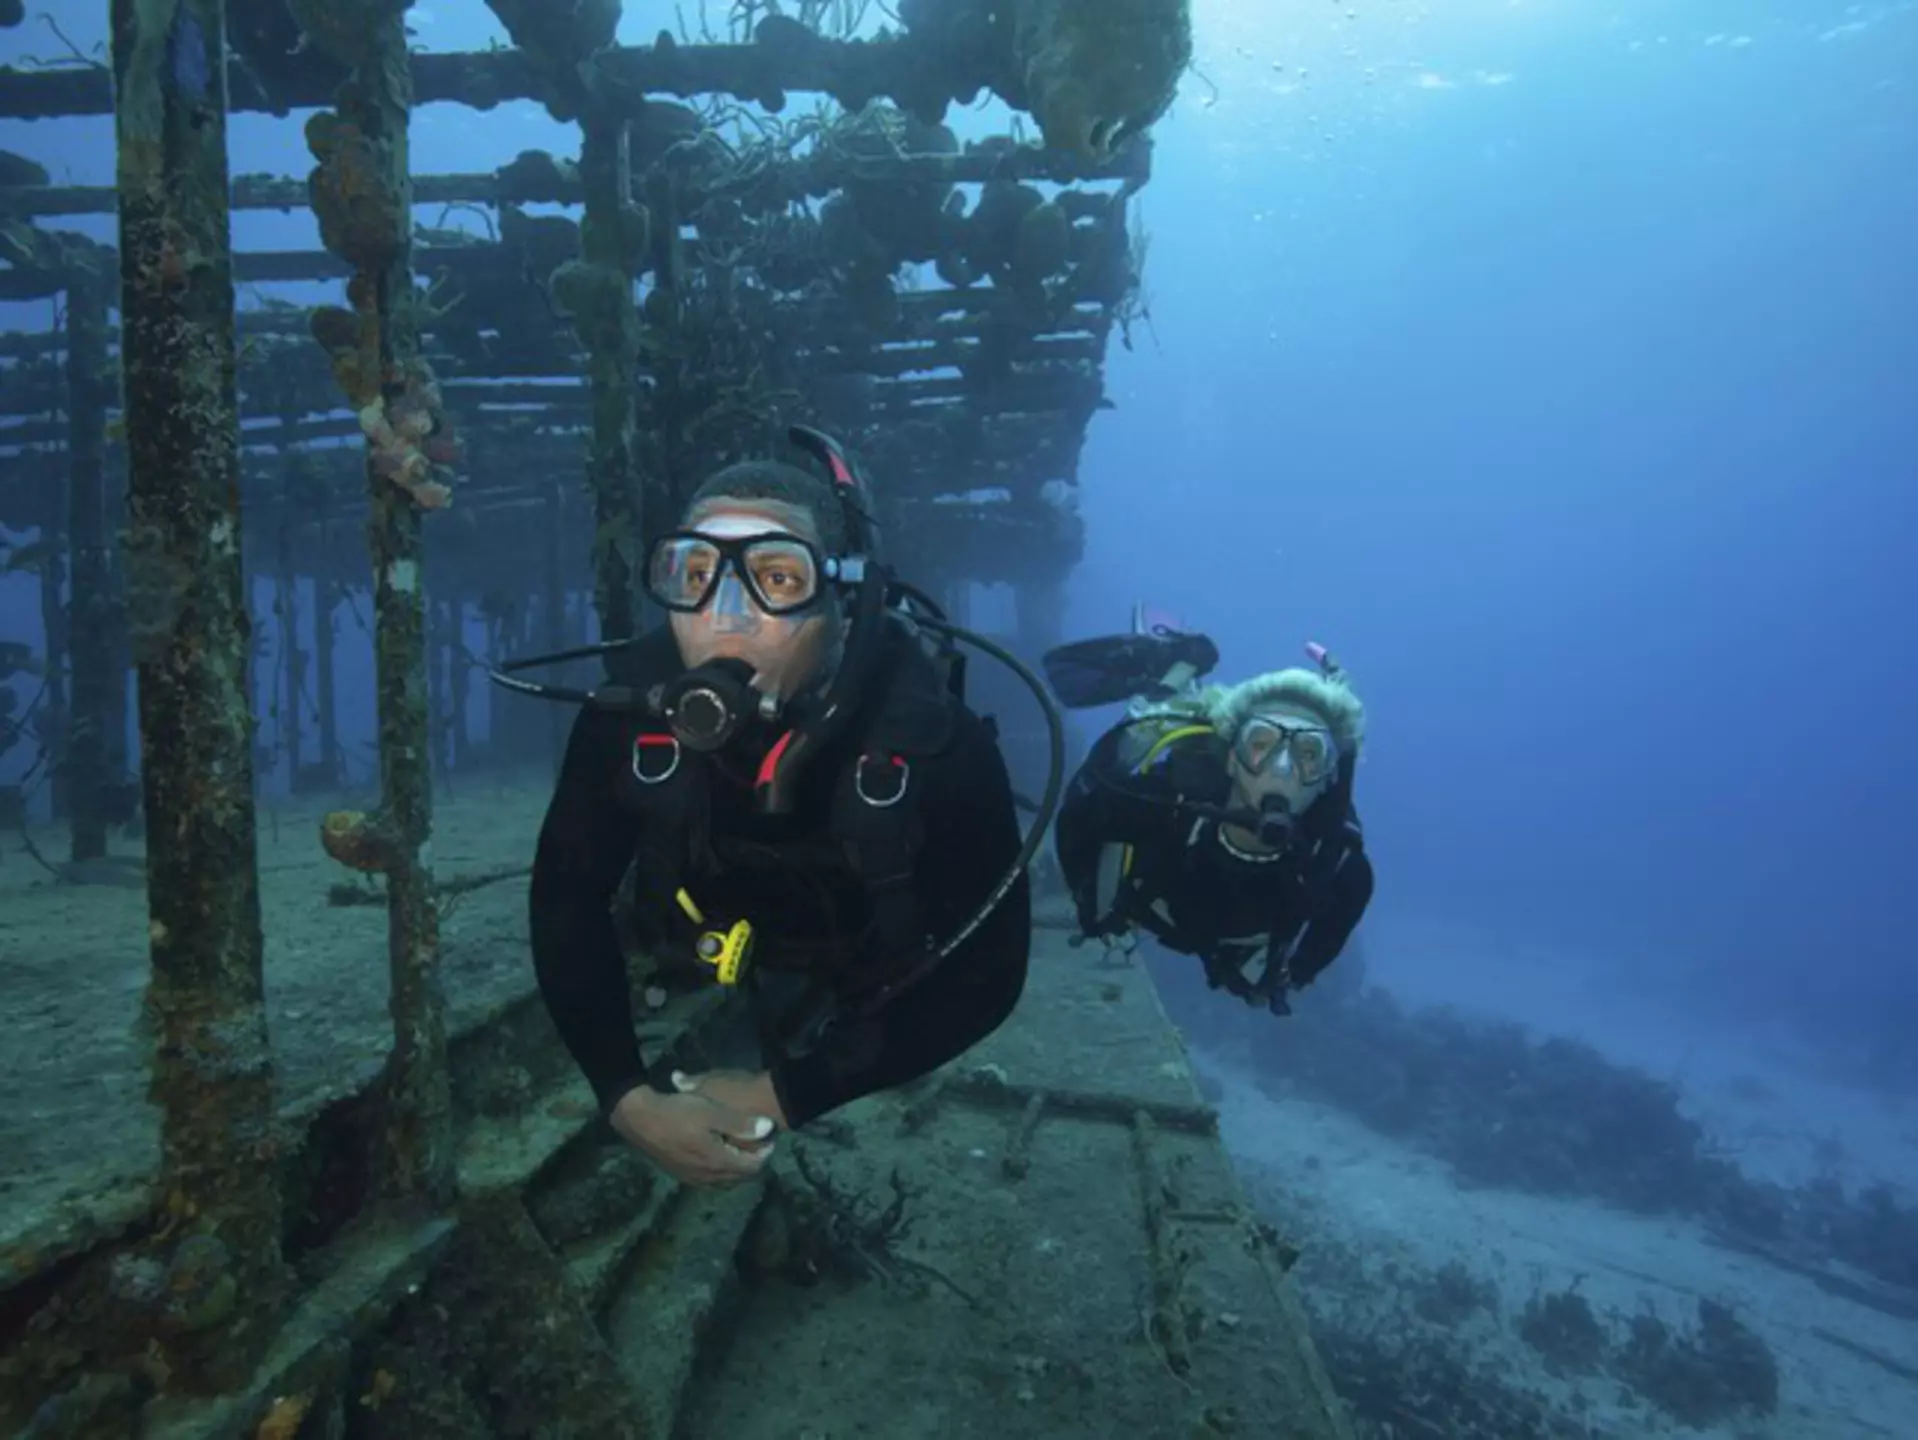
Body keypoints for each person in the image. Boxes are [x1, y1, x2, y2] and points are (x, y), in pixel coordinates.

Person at [514, 428, 1043, 1190]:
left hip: (863, 962)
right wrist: (624, 1095)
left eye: (777, 578)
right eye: (692, 573)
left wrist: (788, 1094)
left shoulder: (934, 743)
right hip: (709, 931)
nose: (726, 618)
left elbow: (989, 974)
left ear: (841, 600)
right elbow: (566, 895)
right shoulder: (628, 720)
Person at [1048, 625, 1374, 1014]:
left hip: (1229, 942)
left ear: (1326, 776)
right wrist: (1091, 905)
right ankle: (1168, 682)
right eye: (1261, 744)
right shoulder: (1162, 806)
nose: (1283, 769)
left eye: (1308, 754)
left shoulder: (1340, 866)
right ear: (1232, 758)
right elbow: (1078, 815)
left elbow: (1329, 934)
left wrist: (1291, 974)